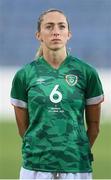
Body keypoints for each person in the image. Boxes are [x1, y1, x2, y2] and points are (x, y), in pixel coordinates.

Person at [10, 9, 104, 179]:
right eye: (49, 27)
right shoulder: (24, 75)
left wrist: (75, 153)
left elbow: (95, 127)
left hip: (77, 168)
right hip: (35, 168)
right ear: (38, 35)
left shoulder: (87, 73)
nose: (56, 32)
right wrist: (40, 151)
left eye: (61, 27)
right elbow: (23, 129)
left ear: (69, 34)